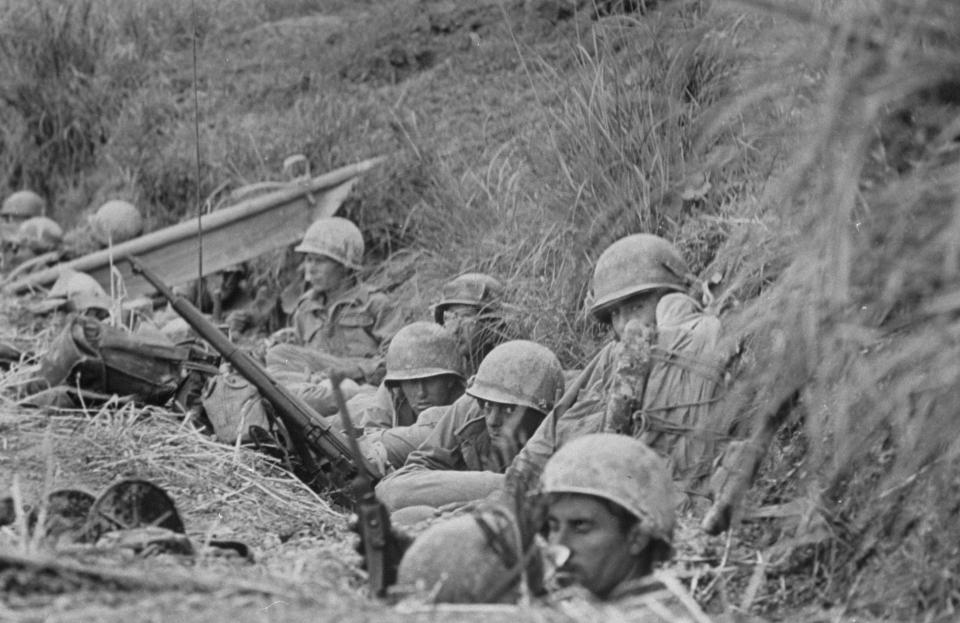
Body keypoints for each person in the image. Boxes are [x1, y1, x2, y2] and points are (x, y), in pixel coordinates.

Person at [503, 234, 727, 506]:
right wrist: (513, 488)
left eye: (637, 306)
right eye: (614, 314)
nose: (623, 324)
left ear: (673, 301)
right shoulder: (611, 357)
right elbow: (544, 440)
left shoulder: (703, 346)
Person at [374, 340, 564, 522]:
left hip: (530, 497)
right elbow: (421, 465)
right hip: (508, 494)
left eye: (508, 410)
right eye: (488, 406)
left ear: (542, 414)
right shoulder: (471, 405)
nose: (492, 421)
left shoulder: (563, 435)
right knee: (392, 493)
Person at [261, 216, 403, 413]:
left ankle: (283, 400)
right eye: (309, 259)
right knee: (277, 356)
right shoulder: (305, 307)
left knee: (294, 393)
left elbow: (398, 360)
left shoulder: (375, 303)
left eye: (319, 261)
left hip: (359, 386)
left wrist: (355, 370)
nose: (311, 268)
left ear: (344, 265)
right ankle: (285, 397)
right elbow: (299, 357)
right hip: (315, 381)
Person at [345, 321, 466, 478]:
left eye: (430, 381)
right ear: (400, 383)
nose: (421, 393)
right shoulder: (392, 391)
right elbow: (369, 436)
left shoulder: (465, 405)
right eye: (412, 382)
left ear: (450, 380)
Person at [431, 273, 509, 376]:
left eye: (466, 317)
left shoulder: (506, 371)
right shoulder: (443, 373)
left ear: (493, 324)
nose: (455, 329)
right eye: (450, 318)